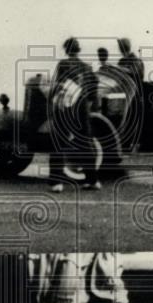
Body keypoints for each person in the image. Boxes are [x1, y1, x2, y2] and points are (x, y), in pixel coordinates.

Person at [48, 37, 101, 193]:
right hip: (82, 107)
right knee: (86, 142)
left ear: (66, 49)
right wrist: (89, 103)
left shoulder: (63, 64)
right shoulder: (86, 67)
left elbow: (57, 86)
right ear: (78, 50)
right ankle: (92, 180)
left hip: (66, 107)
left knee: (59, 142)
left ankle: (56, 182)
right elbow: (94, 86)